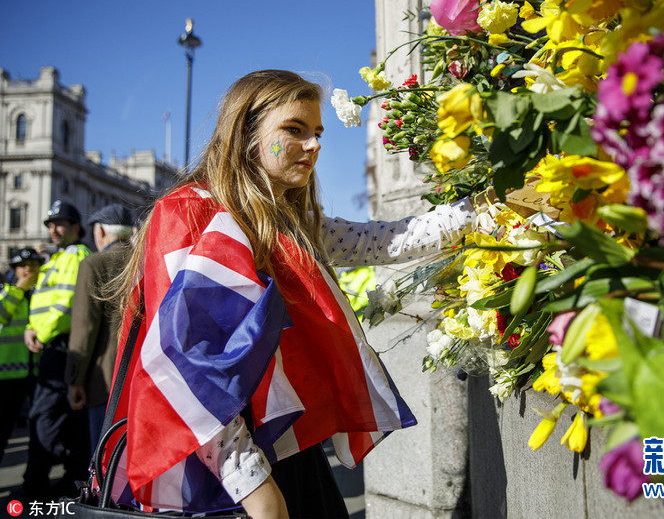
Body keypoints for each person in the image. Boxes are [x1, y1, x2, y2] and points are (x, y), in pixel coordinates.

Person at [105, 70, 476, 519]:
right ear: (245, 134)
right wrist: (252, 484)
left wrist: (484, 209)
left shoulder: (281, 220)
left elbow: (382, 240)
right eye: (295, 130)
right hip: (220, 468)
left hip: (278, 446)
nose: (314, 144)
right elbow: (186, 364)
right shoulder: (189, 212)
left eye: (317, 132)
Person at [23, 200, 92, 501]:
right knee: (69, 420)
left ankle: (34, 486)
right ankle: (70, 482)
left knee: (44, 417)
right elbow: (42, 302)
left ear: (76, 227)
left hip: (61, 347)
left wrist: (40, 332)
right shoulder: (56, 258)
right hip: (50, 345)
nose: (53, 229)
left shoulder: (76, 255)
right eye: (50, 224)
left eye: (60, 223)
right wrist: (30, 328)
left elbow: (67, 304)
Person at [66, 204, 135, 453]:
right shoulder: (146, 258)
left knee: (106, 456)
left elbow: (84, 328)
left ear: (102, 231)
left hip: (105, 381)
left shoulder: (94, 264)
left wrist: (74, 380)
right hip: (143, 377)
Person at [0, 248, 44, 464]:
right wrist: (19, 289)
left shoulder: (42, 294)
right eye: (23, 266)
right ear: (15, 270)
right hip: (7, 375)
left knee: (39, 428)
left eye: (33, 265)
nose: (28, 270)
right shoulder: (7, 292)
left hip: (36, 371)